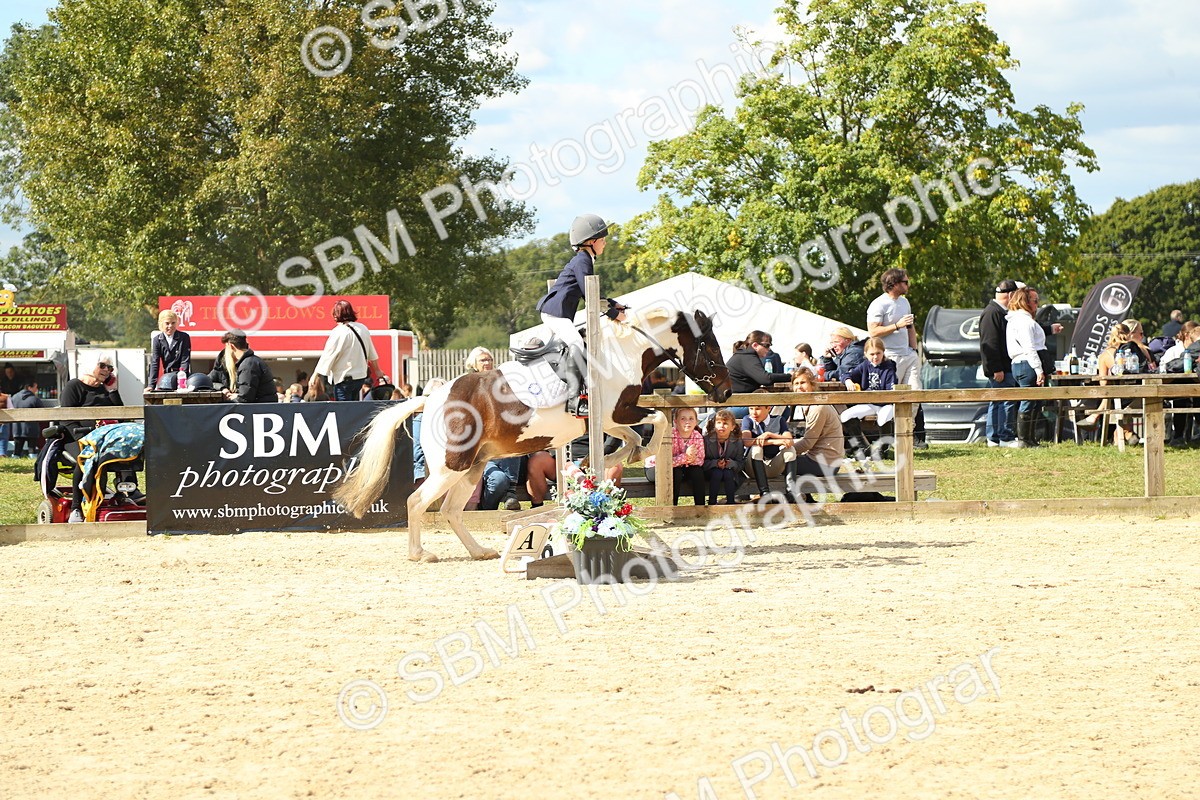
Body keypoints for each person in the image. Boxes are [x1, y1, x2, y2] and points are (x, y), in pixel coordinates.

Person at [535, 213, 609, 416]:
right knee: (576, 344)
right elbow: (589, 292)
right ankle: (575, 400)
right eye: (602, 240)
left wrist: (614, 305)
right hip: (555, 313)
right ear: (591, 242)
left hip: (557, 313)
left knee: (576, 343)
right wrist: (611, 310)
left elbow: (595, 293)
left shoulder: (584, 259)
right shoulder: (582, 261)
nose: (604, 244)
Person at [867, 268, 927, 448]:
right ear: (894, 284)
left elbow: (910, 327)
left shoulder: (905, 302)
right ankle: (890, 438)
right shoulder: (879, 304)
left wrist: (914, 350)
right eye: (905, 282)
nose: (908, 285)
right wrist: (896, 325)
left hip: (908, 354)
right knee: (892, 399)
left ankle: (907, 434)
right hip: (890, 356)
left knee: (915, 394)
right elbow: (873, 331)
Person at [60, 354, 123, 523]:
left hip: (104, 438)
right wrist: (85, 438)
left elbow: (122, 415)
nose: (106, 371)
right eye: (102, 365)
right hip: (77, 437)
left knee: (126, 448)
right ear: (90, 364)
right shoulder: (74, 386)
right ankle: (76, 508)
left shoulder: (104, 389)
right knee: (86, 457)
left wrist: (112, 390)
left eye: (109, 368)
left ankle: (127, 491)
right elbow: (66, 418)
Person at [465, 345, 521, 510]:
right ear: (474, 363)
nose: (487, 362)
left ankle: (510, 492)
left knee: (514, 445)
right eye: (483, 360)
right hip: (479, 446)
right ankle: (487, 510)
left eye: (489, 359)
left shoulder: (500, 382)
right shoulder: (468, 384)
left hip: (499, 437)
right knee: (497, 479)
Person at [786, 368, 845, 498]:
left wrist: (783, 452)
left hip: (825, 464)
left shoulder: (817, 407)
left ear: (812, 385)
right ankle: (805, 497)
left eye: (803, 383)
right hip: (826, 460)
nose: (799, 387)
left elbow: (807, 443)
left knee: (779, 463)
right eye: (796, 384)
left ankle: (793, 496)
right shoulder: (813, 404)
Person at [840, 338, 897, 461]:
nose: (875, 357)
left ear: (883, 352)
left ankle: (883, 450)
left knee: (883, 417)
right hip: (871, 402)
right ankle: (864, 448)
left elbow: (890, 391)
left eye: (878, 353)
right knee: (845, 416)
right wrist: (848, 380)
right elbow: (846, 374)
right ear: (865, 354)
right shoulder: (865, 365)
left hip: (886, 403)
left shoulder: (889, 367)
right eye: (872, 354)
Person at [315, 299, 381, 402]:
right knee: (352, 410)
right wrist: (377, 370)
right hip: (360, 378)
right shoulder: (363, 328)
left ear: (336, 315)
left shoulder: (338, 332)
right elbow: (371, 352)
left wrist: (316, 375)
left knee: (343, 412)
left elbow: (328, 356)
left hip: (344, 379)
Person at [979, 279, 1019, 448]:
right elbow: (990, 344)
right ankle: (1005, 437)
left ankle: (994, 438)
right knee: (1006, 401)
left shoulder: (997, 312)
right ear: (1010, 295)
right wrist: (997, 368)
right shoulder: (992, 313)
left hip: (1001, 367)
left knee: (997, 401)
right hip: (1000, 368)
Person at [1005, 287, 1046, 448]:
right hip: (1026, 363)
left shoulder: (1016, 320)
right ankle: (1024, 439)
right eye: (1035, 301)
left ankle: (1029, 439)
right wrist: (1038, 369)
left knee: (1033, 401)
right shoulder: (1024, 321)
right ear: (1025, 301)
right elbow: (1029, 347)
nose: (1037, 304)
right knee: (1029, 400)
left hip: (1020, 363)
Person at [741, 388, 797, 502]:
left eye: (758, 409)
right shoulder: (748, 420)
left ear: (768, 408)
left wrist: (769, 434)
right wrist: (774, 441)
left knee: (790, 450)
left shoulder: (778, 420)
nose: (753, 412)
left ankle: (791, 492)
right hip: (752, 467)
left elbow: (789, 441)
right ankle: (764, 492)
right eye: (750, 408)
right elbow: (746, 441)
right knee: (757, 448)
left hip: (773, 467)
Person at [208, 330, 277, 403]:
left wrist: (232, 397)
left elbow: (245, 398)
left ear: (231, 346)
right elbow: (208, 381)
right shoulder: (225, 364)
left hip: (257, 410)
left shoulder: (248, 365)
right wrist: (222, 388)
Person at [703, 408, 745, 505]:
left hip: (730, 472)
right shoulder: (707, 440)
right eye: (718, 423)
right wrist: (715, 463)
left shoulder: (737, 441)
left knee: (727, 473)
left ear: (732, 427)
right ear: (714, 425)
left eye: (725, 423)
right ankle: (712, 502)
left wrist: (730, 463)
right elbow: (702, 462)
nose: (721, 426)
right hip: (710, 471)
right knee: (717, 472)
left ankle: (730, 502)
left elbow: (741, 463)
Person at [145, 309, 192, 394]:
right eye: (167, 323)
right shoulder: (157, 340)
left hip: (182, 377)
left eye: (173, 323)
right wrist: (151, 385)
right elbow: (155, 362)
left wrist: (181, 380)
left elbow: (185, 360)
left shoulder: (184, 337)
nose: (170, 326)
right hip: (167, 378)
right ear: (161, 324)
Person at [669, 407, 706, 506]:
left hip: (688, 467)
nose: (687, 422)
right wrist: (686, 456)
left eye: (691, 419)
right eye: (683, 419)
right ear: (675, 421)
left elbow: (700, 459)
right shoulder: (670, 435)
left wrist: (691, 459)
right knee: (675, 473)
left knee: (697, 472)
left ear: (696, 422)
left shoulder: (697, 436)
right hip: (671, 468)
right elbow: (668, 462)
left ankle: (700, 507)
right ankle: (672, 506)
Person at [9, 378, 44, 458]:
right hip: (32, 428)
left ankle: (15, 462)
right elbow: (42, 412)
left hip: (17, 428)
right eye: (35, 387)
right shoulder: (34, 399)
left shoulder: (14, 397)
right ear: (29, 387)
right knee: (32, 450)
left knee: (17, 451)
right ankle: (32, 463)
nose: (37, 389)